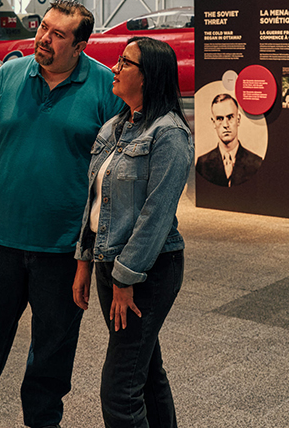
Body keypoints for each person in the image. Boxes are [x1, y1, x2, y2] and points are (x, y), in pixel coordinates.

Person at [0, 0, 119, 428]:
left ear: (79, 45)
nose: (43, 38)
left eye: (58, 35)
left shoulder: (103, 87)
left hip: (64, 251)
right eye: (43, 28)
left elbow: (115, 174)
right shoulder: (9, 75)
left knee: (51, 364)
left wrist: (97, 250)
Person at [72, 37, 193, 428]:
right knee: (146, 370)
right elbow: (96, 200)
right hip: (109, 265)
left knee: (120, 389)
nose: (115, 67)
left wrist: (125, 278)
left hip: (148, 272)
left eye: (125, 63)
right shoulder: (115, 126)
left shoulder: (169, 134)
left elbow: (156, 216)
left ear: (147, 77)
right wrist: (84, 261)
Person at [195, 93, 263, 186]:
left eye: (230, 117)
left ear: (238, 120)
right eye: (219, 119)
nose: (225, 125)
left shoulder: (256, 163)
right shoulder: (202, 164)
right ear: (213, 123)